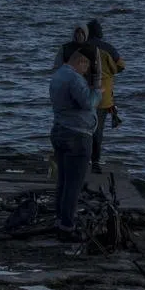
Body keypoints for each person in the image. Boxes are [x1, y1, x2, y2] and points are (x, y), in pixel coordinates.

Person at [49, 47, 101, 242]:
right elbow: (87, 103)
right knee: (74, 183)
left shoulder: (57, 76)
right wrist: (97, 92)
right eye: (85, 67)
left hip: (59, 130)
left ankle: (59, 218)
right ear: (81, 62)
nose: (86, 72)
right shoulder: (74, 79)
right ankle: (67, 226)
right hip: (77, 135)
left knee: (62, 179)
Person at [86, 19, 126, 173]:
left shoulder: (81, 47)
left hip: (82, 94)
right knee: (98, 130)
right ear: (100, 32)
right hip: (103, 98)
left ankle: (80, 158)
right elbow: (121, 66)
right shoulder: (109, 48)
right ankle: (95, 161)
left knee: (81, 127)